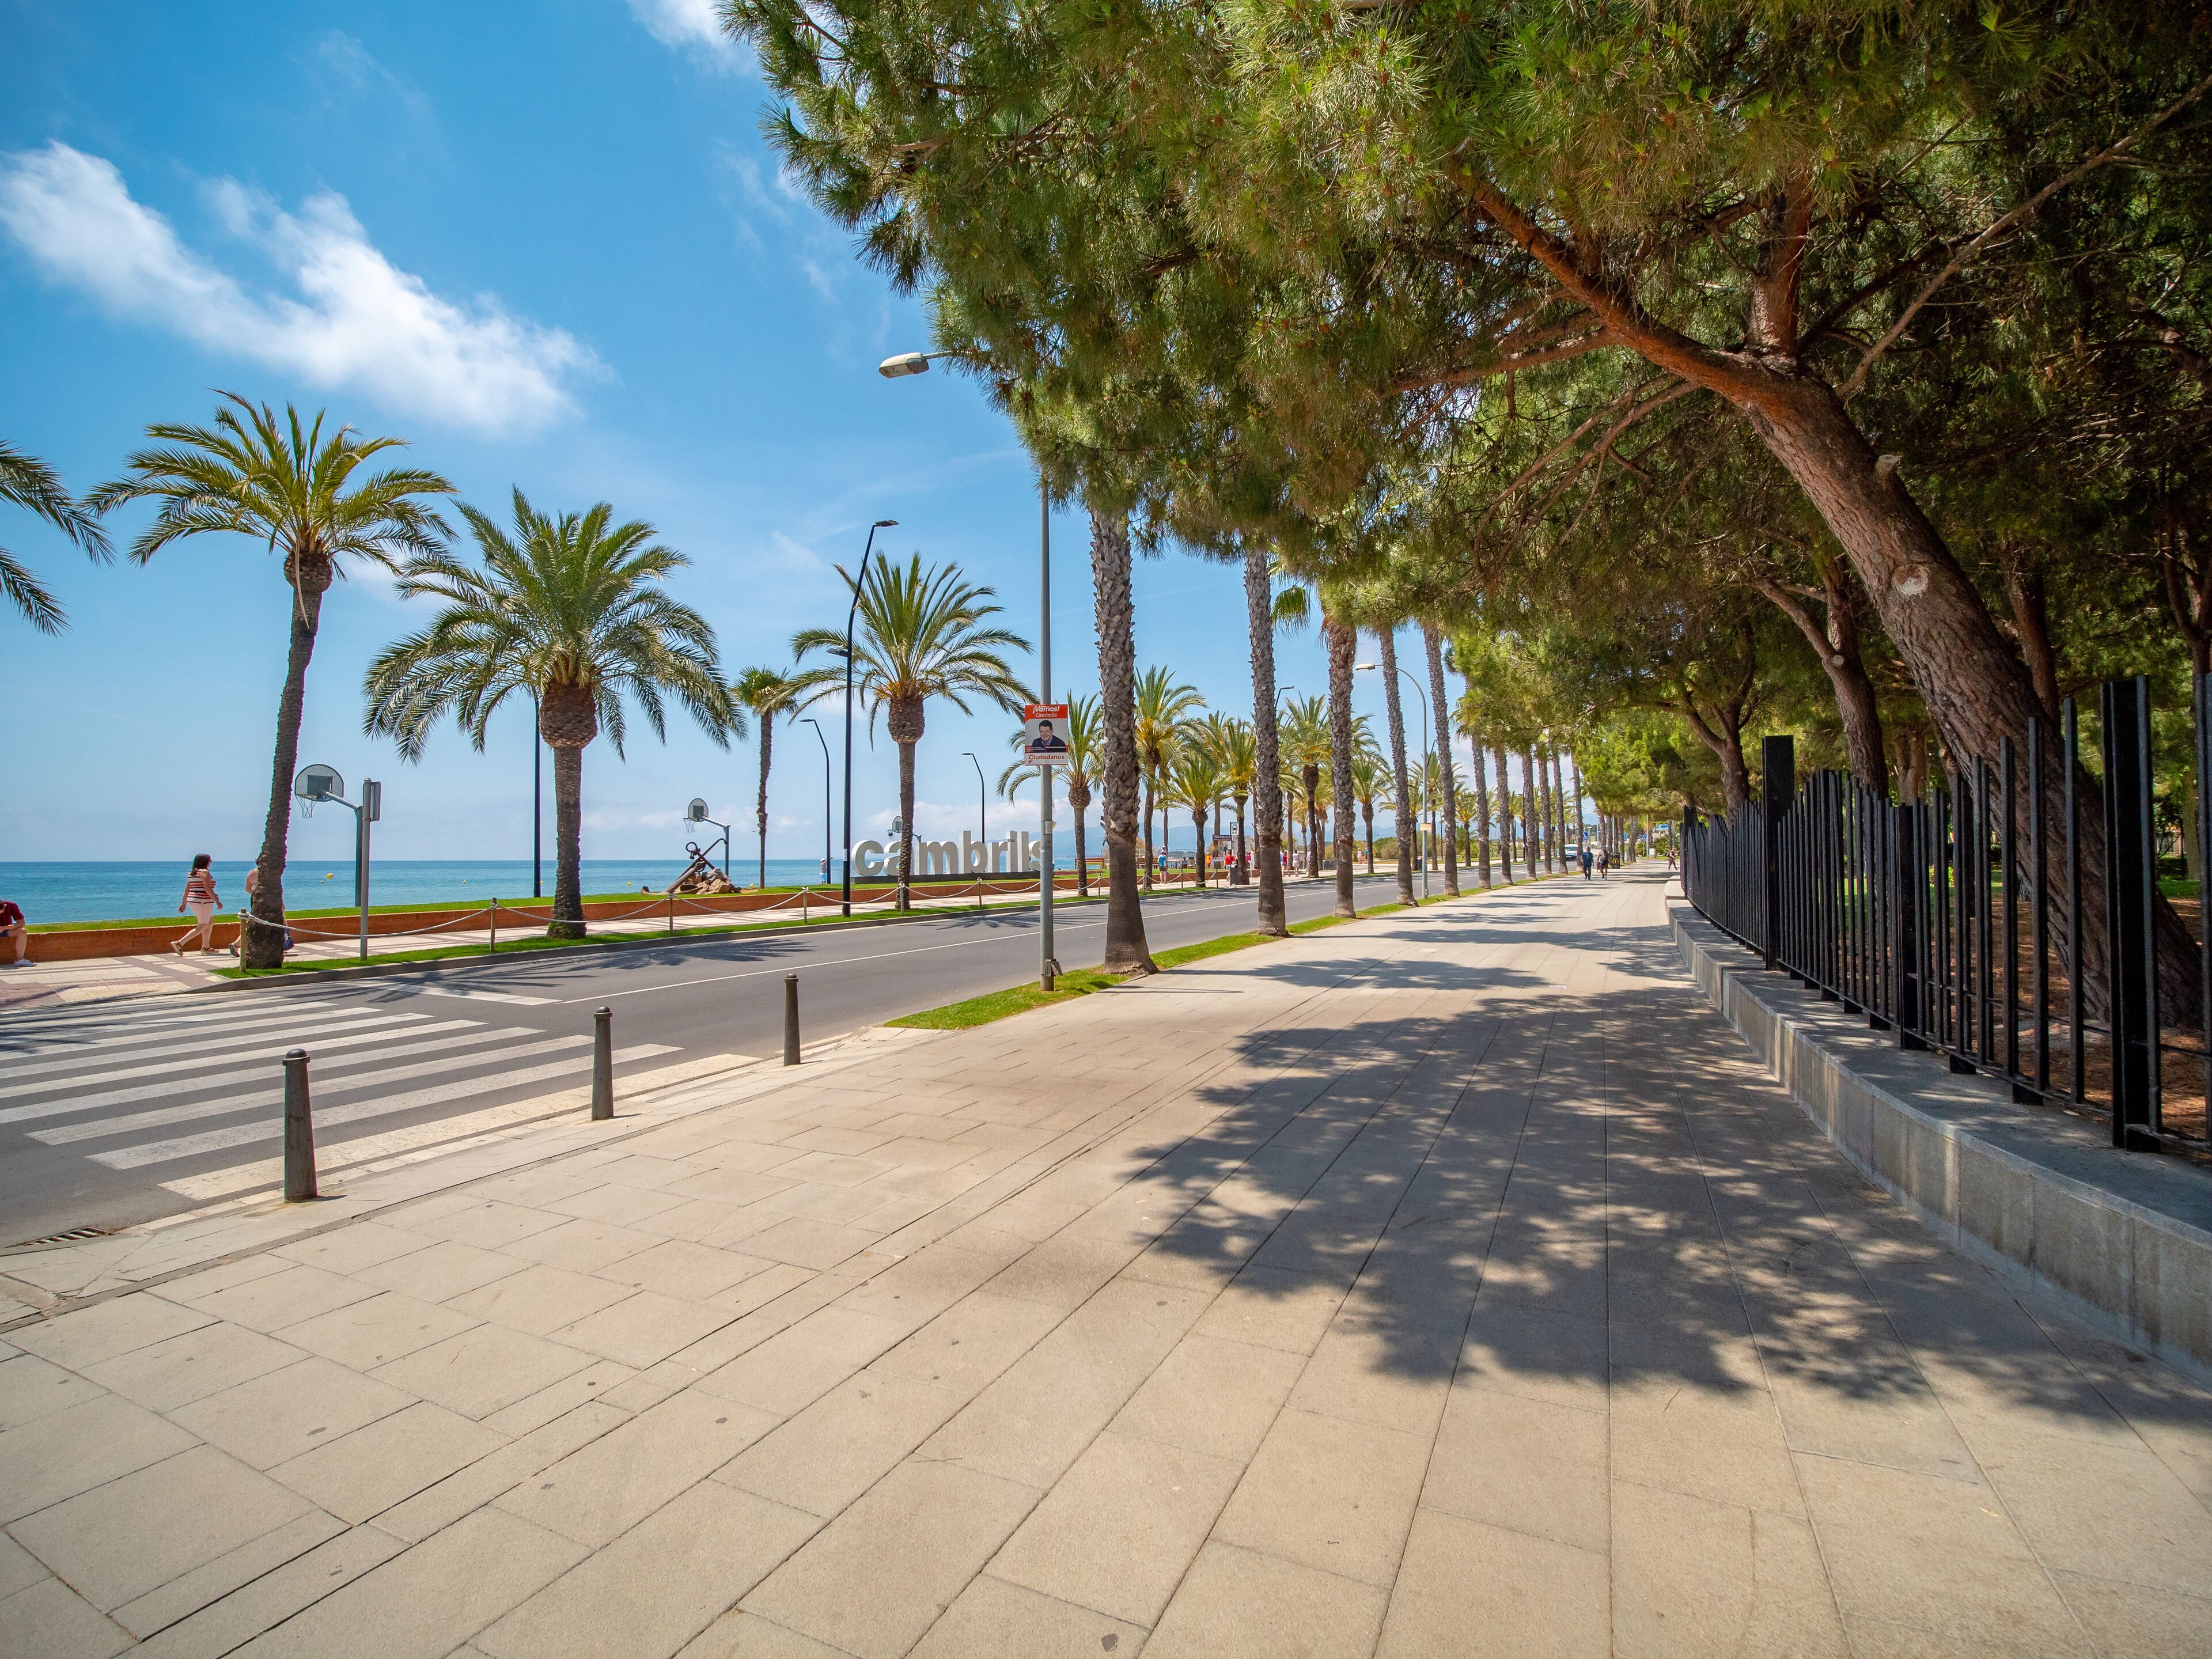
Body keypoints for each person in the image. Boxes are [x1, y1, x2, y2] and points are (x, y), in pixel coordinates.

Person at [175, 854, 221, 955]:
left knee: (210, 921)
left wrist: (184, 903)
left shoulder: (192, 873)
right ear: (205, 862)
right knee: (203, 925)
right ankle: (180, 943)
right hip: (203, 902)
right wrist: (218, 902)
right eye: (210, 860)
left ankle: (206, 947)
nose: (211, 862)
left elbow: (188, 889)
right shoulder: (205, 872)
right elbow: (208, 888)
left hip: (194, 901)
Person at [0, 897, 27, 966]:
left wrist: (4, 928)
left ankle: (20, 960)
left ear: (5, 906)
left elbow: (22, 923)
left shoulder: (12, 906)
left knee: (22, 931)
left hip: (7, 930)